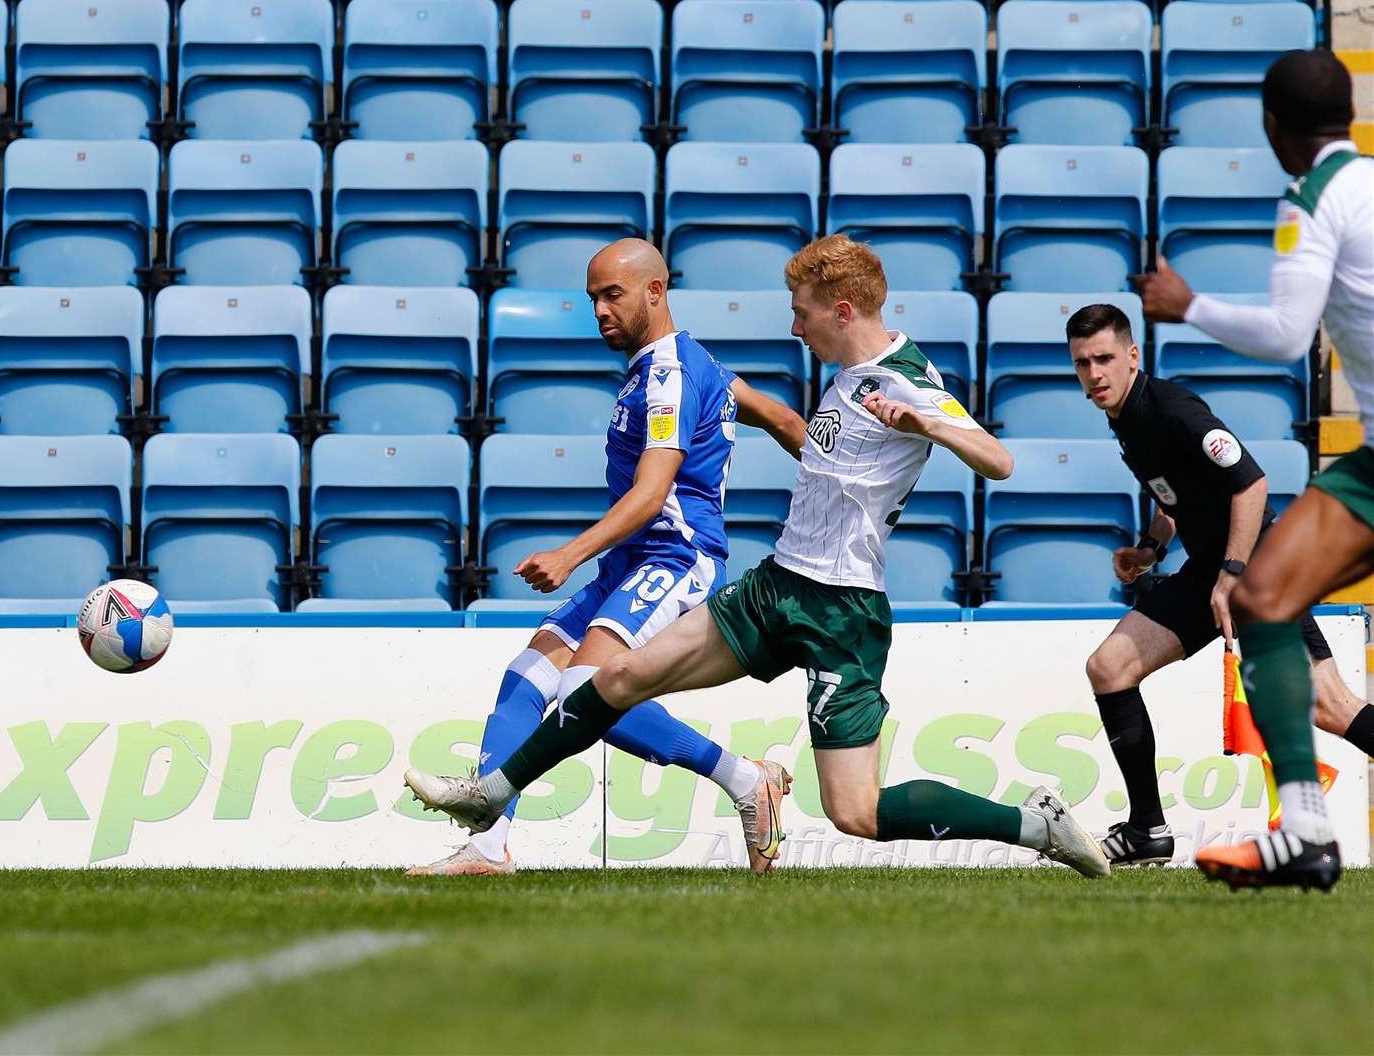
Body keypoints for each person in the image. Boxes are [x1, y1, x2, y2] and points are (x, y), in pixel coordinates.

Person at [406, 235, 1113, 879]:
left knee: (855, 813)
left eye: (800, 312)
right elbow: (799, 431)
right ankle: (490, 797)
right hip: (774, 588)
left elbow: (1000, 459)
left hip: (843, 610)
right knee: (616, 677)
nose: (792, 326)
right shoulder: (844, 374)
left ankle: (1033, 825)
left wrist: (926, 421)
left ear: (840, 310)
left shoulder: (904, 380)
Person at [407, 238, 807, 876]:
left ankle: (742, 777)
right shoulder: (684, 362)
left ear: (655, 290)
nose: (599, 310)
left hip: (676, 557)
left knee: (584, 691)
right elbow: (782, 418)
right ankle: (488, 848)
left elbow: (652, 495)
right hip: (629, 564)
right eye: (593, 297)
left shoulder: (671, 375)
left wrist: (568, 555)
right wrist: (828, 477)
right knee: (524, 681)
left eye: (611, 295)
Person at [1135, 49, 1374, 890]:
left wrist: (1184, 304)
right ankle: (1304, 835)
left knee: (1262, 597)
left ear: (1275, 126)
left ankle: (1307, 830)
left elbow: (1284, 333)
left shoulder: (1314, 197)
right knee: (1266, 595)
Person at [1065, 302, 1363, 867]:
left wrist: (1231, 575)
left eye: (1104, 358)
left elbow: (1250, 485)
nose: (1094, 373)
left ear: (1132, 356)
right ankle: (1147, 831)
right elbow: (1174, 495)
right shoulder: (1126, 419)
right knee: (1109, 669)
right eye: (1082, 363)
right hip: (1210, 569)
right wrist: (1150, 549)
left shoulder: (1172, 409)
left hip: (1259, 566)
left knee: (1330, 706)